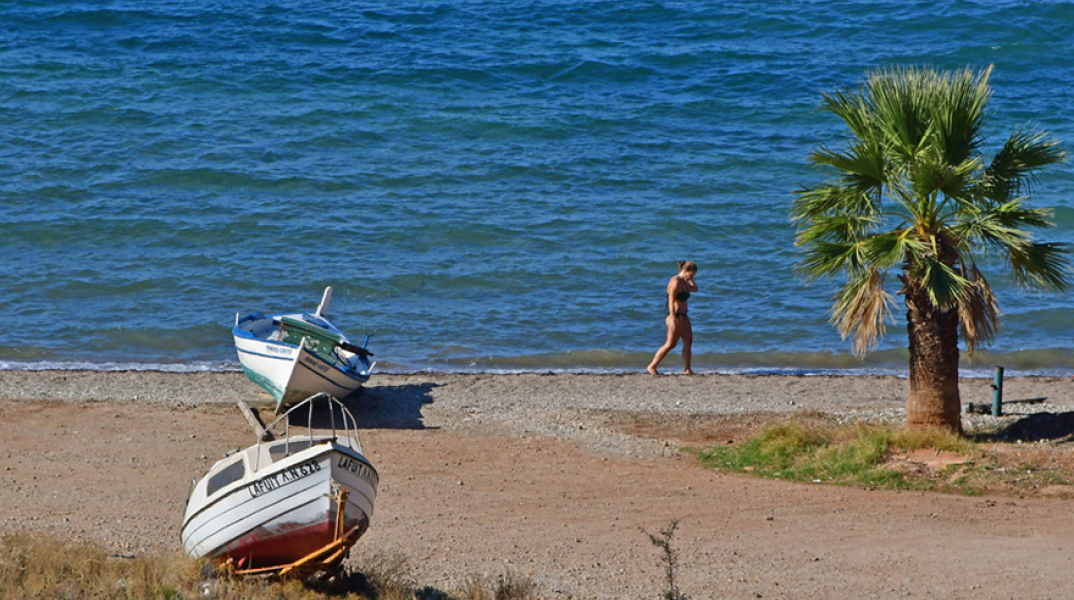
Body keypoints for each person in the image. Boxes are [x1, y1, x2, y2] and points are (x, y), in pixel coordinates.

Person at [647, 260, 698, 375]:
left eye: (693, 275)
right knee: (671, 344)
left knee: (688, 342)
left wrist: (690, 279)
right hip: (675, 315)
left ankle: (687, 369)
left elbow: (695, 289)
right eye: (690, 274)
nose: (691, 277)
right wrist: (673, 317)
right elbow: (670, 301)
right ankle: (652, 366)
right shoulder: (675, 281)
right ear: (685, 271)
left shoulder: (684, 282)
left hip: (684, 316)